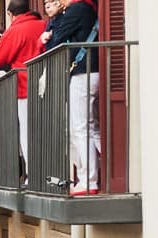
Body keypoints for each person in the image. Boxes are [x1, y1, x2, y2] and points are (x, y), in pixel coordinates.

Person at [45, 0, 101, 195]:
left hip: (83, 73)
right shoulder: (88, 8)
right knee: (90, 126)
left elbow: (57, 39)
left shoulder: (76, 9)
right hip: (93, 70)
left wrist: (49, 31)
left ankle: (89, 180)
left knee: (79, 127)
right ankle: (100, 172)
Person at [0, 0, 46, 174]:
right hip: (46, 82)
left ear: (11, 14)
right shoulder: (43, 24)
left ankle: (34, 174)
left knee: (27, 133)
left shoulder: (14, 30)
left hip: (24, 86)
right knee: (48, 129)